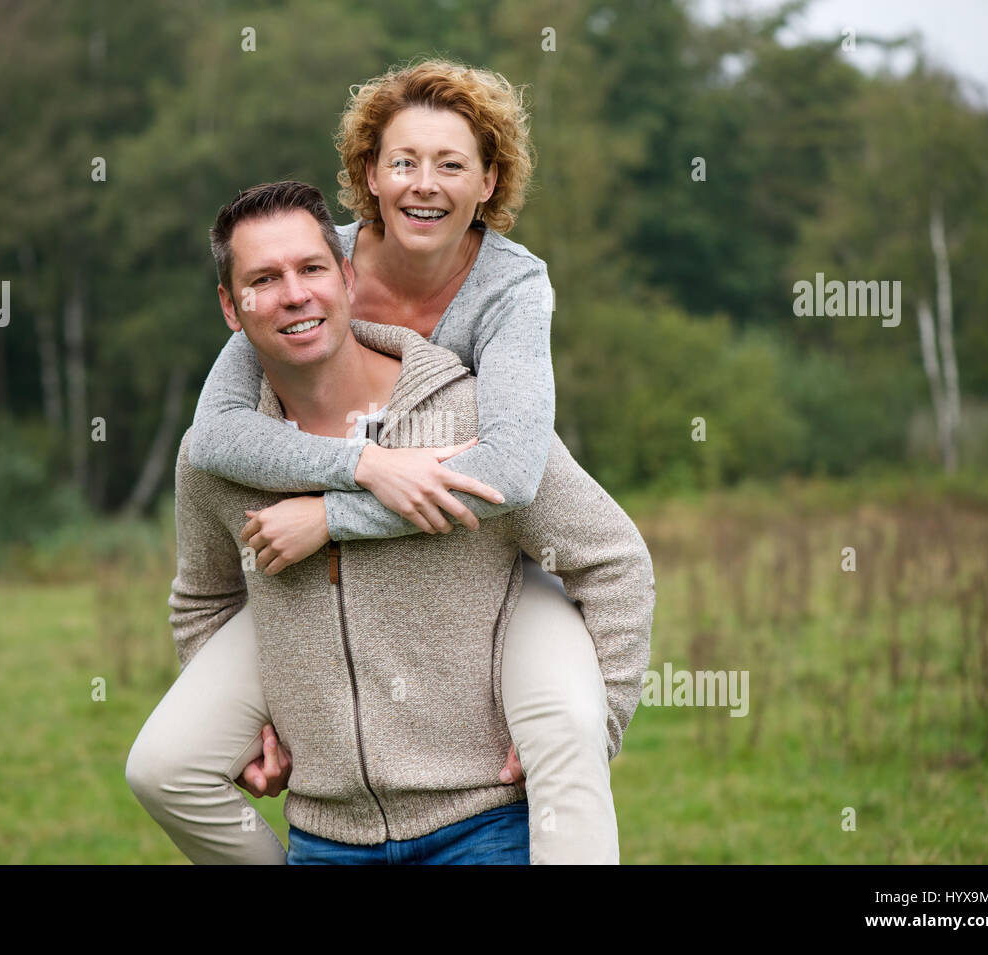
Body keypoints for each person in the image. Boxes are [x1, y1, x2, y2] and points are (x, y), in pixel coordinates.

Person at [127, 59, 639, 864]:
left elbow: (508, 469)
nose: (423, 184)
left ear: (488, 180)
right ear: (369, 174)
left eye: (451, 164)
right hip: (325, 584)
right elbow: (216, 434)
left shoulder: (512, 288)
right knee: (162, 764)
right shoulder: (312, 262)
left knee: (566, 732)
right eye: (403, 161)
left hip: (484, 549)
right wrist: (360, 466)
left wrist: (327, 519)